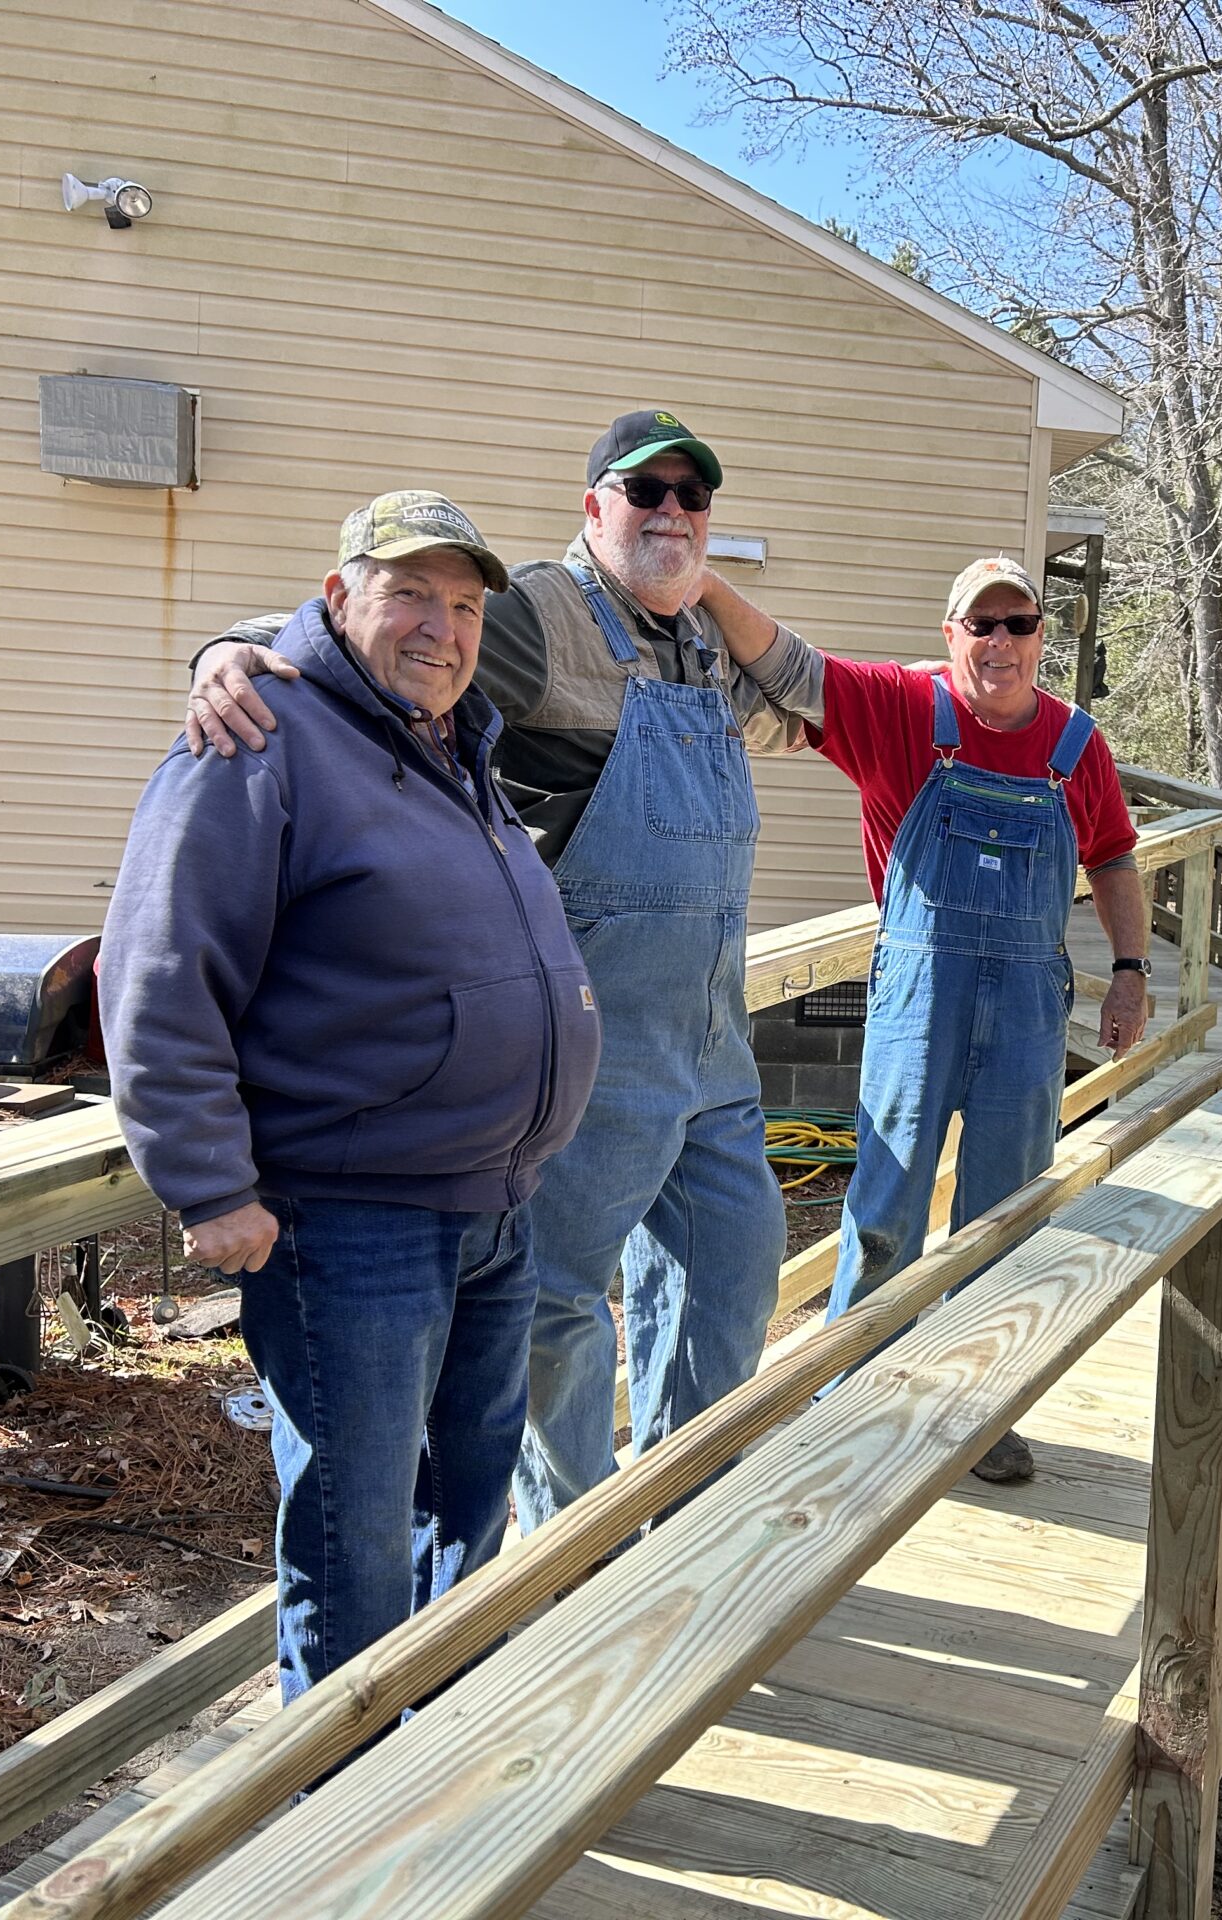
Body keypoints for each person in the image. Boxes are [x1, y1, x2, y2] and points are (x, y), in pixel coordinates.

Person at [181, 412, 798, 1531]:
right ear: (592, 506)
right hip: (598, 1032)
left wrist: (709, 593)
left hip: (712, 1038)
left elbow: (806, 697)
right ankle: (573, 1534)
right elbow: (368, 639)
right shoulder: (539, 615)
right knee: (558, 1308)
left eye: (690, 495)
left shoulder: (702, 642)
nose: (668, 509)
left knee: (735, 1272)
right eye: (641, 491)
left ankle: (684, 1508)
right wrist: (225, 649)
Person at [99, 491, 600, 1700]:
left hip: (492, 1208)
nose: (441, 626)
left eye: (465, 605)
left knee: (467, 1504)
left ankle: (424, 1739)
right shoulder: (259, 737)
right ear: (336, 599)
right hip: (351, 1220)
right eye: (408, 594)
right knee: (356, 1534)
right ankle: (340, 1825)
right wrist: (209, 1182)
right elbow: (161, 966)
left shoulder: (451, 741)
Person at [692, 556, 1151, 1485]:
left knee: (1006, 1212)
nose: (1000, 643)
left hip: (1028, 1007)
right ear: (951, 636)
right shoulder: (903, 710)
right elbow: (787, 665)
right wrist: (700, 580)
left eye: (1018, 624)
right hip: (918, 997)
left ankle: (980, 1411)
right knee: (884, 1207)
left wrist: (1134, 973)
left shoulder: (1076, 745)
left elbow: (1111, 859)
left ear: (1040, 638)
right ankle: (849, 1399)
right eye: (980, 625)